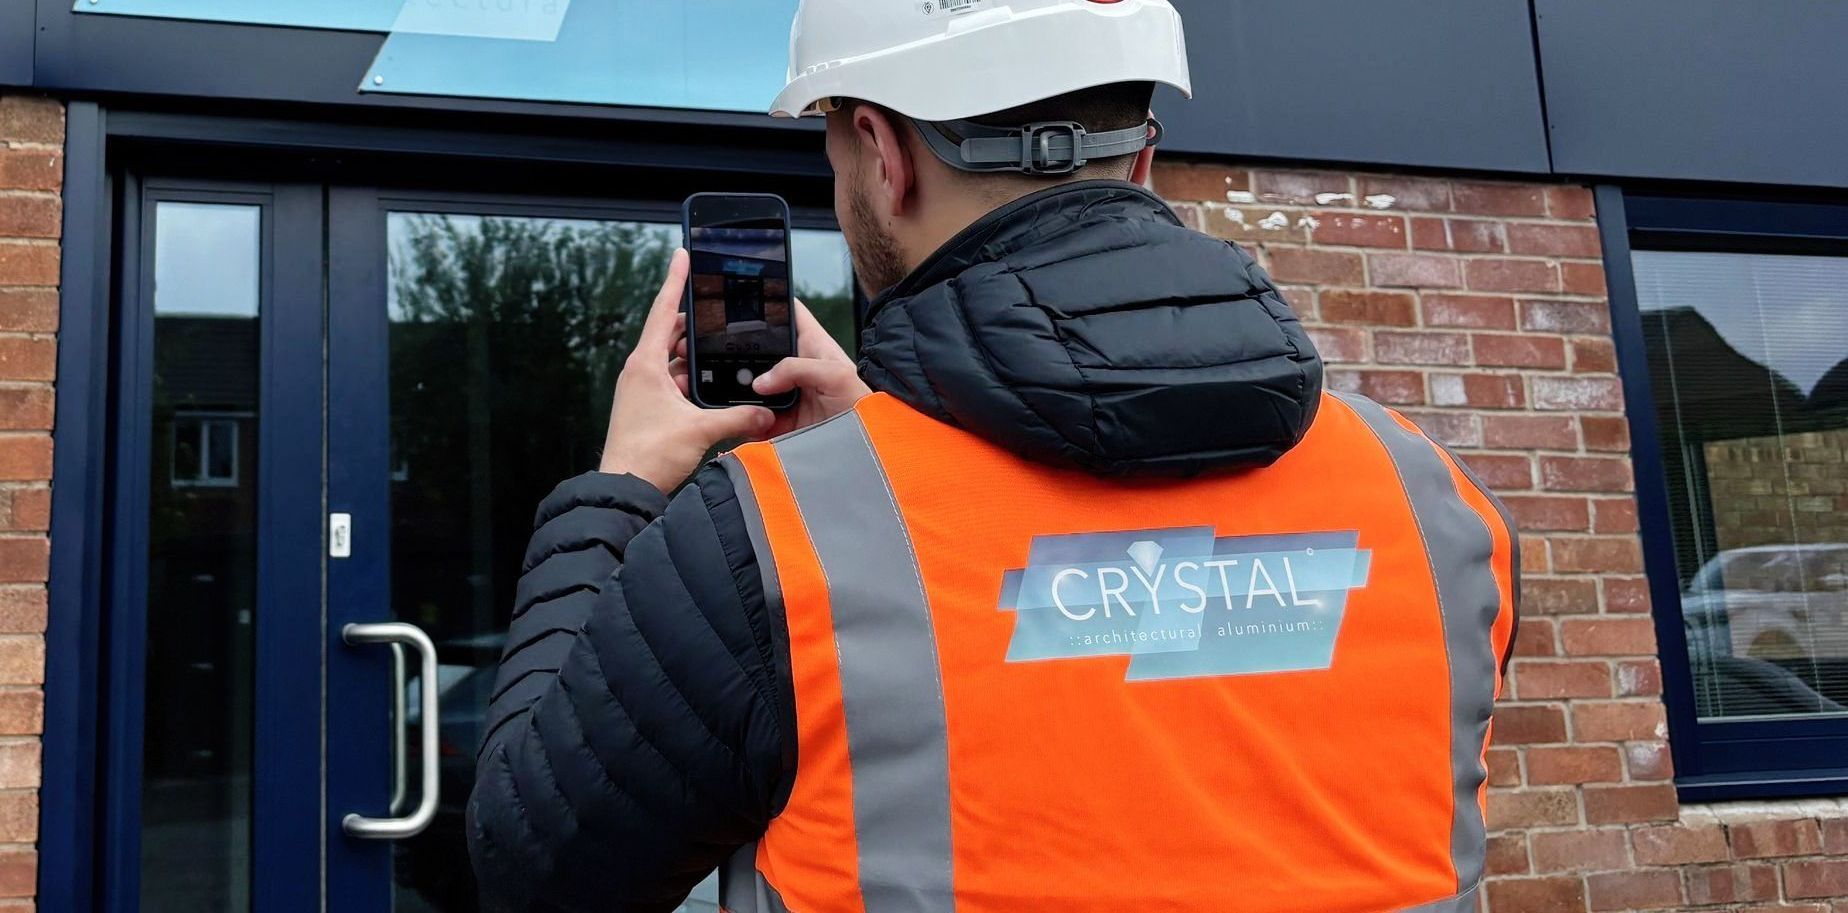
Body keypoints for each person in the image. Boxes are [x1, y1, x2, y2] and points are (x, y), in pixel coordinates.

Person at [467, 1, 1519, 911]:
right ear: (1143, 158)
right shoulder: (1434, 505)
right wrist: (877, 452)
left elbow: (534, 870)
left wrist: (616, 491)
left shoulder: (765, 547)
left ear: (883, 154)